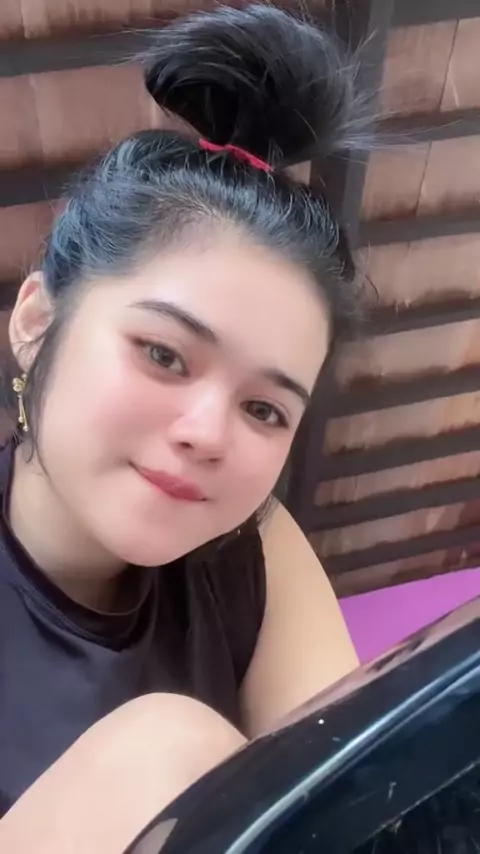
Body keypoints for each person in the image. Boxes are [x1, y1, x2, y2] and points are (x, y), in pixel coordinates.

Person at [0, 4, 363, 851]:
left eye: (265, 408)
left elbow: (353, 805)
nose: (208, 433)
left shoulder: (255, 551)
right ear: (37, 321)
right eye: (164, 354)